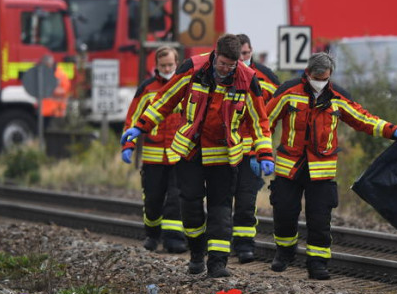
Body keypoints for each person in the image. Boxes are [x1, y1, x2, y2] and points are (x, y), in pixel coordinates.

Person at [121, 34, 274, 278]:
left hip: (224, 155)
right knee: (190, 203)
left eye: (230, 65)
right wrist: (141, 126)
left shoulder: (247, 79)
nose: (225, 69)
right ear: (215, 55)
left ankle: (217, 263)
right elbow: (166, 99)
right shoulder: (193, 69)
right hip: (191, 150)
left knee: (220, 209)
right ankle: (196, 252)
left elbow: (259, 121)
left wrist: (264, 153)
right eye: (222, 63)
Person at [266, 52, 397, 280]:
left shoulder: (338, 97)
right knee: (284, 213)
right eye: (316, 76)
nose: (319, 80)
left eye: (324, 77)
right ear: (308, 72)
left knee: (320, 219)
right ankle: (285, 252)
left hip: (321, 171)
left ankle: (318, 264)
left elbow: (362, 118)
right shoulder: (289, 92)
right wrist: (260, 154)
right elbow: (266, 120)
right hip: (289, 167)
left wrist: (390, 130)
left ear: (330, 75)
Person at [119, 45, 187, 254]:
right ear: (156, 66)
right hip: (153, 157)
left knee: (177, 200)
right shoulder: (147, 89)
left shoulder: (185, 86)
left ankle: (174, 239)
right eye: (163, 65)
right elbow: (132, 118)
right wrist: (128, 145)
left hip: (179, 156)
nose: (167, 68)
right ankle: (152, 234)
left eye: (171, 64)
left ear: (177, 64)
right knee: (153, 201)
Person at [231, 34, 281, 263]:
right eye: (239, 55)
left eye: (246, 53)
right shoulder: (223, 74)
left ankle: (244, 247)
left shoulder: (265, 77)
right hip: (223, 152)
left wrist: (265, 149)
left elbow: (278, 108)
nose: (243, 58)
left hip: (252, 151)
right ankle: (219, 244)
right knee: (220, 201)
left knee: (246, 201)